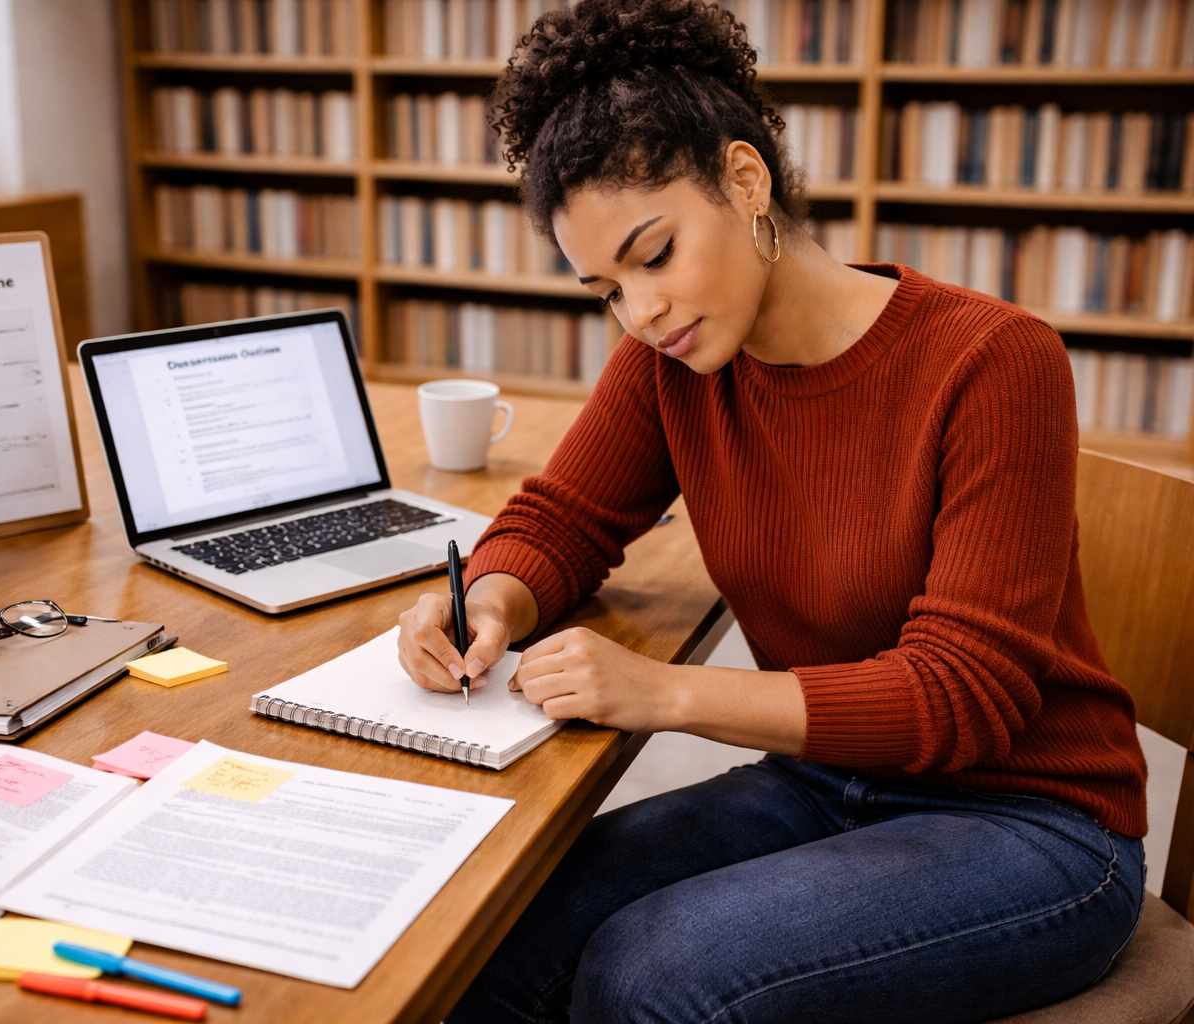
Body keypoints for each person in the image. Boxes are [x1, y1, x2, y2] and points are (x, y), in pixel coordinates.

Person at [393, 1, 1149, 1020]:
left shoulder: (993, 359)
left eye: (654, 255)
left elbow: (962, 692)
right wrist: (489, 600)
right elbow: (562, 519)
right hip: (827, 783)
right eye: (605, 287)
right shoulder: (671, 363)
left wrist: (662, 694)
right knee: (490, 923)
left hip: (1034, 822)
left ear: (745, 180)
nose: (641, 310)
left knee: (651, 976)